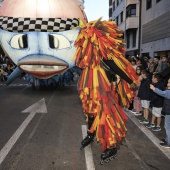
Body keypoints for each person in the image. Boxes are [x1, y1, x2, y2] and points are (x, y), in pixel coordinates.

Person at [74, 18, 138, 164]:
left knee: (107, 119)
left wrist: (131, 82)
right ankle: (91, 134)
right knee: (90, 115)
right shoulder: (87, 62)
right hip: (90, 96)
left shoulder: (107, 59)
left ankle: (112, 146)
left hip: (105, 95)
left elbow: (120, 70)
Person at [150, 78, 170, 148]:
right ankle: (167, 139)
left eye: (169, 83)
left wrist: (154, 89)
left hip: (169, 112)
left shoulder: (168, 92)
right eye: (168, 83)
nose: (168, 84)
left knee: (167, 127)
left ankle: (168, 142)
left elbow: (162, 93)